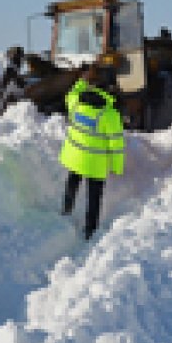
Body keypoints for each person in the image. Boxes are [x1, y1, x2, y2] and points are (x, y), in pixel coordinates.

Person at [58, 75, 125, 240]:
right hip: (95, 165)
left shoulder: (76, 104)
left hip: (74, 158)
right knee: (94, 198)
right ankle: (89, 230)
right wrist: (117, 167)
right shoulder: (110, 115)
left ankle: (65, 212)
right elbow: (116, 145)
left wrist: (82, 81)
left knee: (72, 185)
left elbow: (72, 93)